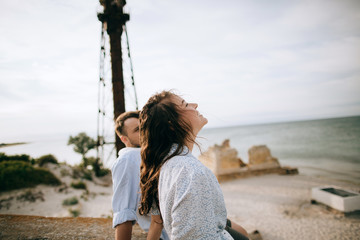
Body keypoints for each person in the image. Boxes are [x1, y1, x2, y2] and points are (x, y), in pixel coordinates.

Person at [139, 90, 249, 240]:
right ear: (172, 124)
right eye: (185, 104)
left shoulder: (168, 163)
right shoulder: (191, 172)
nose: (195, 105)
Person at [112, 110, 169, 240]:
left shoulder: (152, 154)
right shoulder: (128, 159)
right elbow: (124, 212)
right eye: (137, 129)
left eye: (145, 126)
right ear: (124, 139)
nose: (144, 132)